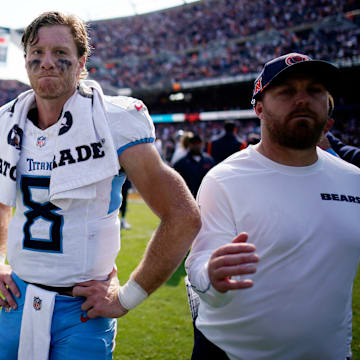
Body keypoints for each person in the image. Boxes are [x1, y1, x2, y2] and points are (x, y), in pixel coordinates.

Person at [0, 11, 201, 360]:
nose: (47, 62)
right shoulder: (6, 122)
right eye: (37, 53)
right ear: (26, 60)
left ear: (81, 64)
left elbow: (183, 215)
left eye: (61, 53)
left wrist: (126, 297)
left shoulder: (113, 121)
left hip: (82, 311)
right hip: (14, 300)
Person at [185, 52, 360, 360]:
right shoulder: (225, 179)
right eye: (287, 91)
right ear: (259, 108)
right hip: (230, 353)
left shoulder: (352, 180)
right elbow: (198, 265)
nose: (303, 99)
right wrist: (211, 274)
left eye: (315, 90)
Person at [174, 134, 216, 198]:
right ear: (190, 145)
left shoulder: (209, 160)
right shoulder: (181, 163)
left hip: (206, 197)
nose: (196, 145)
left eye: (198, 143)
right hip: (189, 198)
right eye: (193, 143)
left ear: (201, 144)